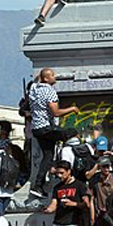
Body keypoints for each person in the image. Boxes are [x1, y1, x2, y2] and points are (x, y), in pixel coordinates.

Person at [28, 68, 79, 196]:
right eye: (52, 75)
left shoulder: (34, 89)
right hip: (46, 128)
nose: (54, 77)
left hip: (36, 128)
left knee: (48, 156)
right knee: (71, 132)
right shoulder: (50, 91)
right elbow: (55, 112)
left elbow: (35, 81)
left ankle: (38, 185)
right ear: (46, 78)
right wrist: (72, 109)